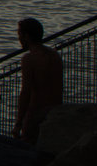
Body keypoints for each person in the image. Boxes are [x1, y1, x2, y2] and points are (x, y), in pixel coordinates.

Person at [11, 17, 63, 145]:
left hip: (36, 113)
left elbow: (26, 91)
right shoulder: (54, 55)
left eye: (20, 35)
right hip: (55, 110)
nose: (19, 39)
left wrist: (19, 122)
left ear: (27, 36)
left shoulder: (29, 59)